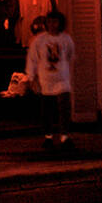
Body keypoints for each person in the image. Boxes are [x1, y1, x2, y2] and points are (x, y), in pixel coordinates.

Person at [26, 10, 76, 150]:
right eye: (49, 22)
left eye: (55, 22)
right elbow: (33, 59)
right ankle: (48, 137)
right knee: (47, 109)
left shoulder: (66, 39)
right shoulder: (39, 40)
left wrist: (68, 73)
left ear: (60, 23)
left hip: (62, 79)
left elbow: (70, 56)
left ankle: (64, 136)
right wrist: (31, 77)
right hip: (45, 79)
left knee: (64, 108)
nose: (52, 25)